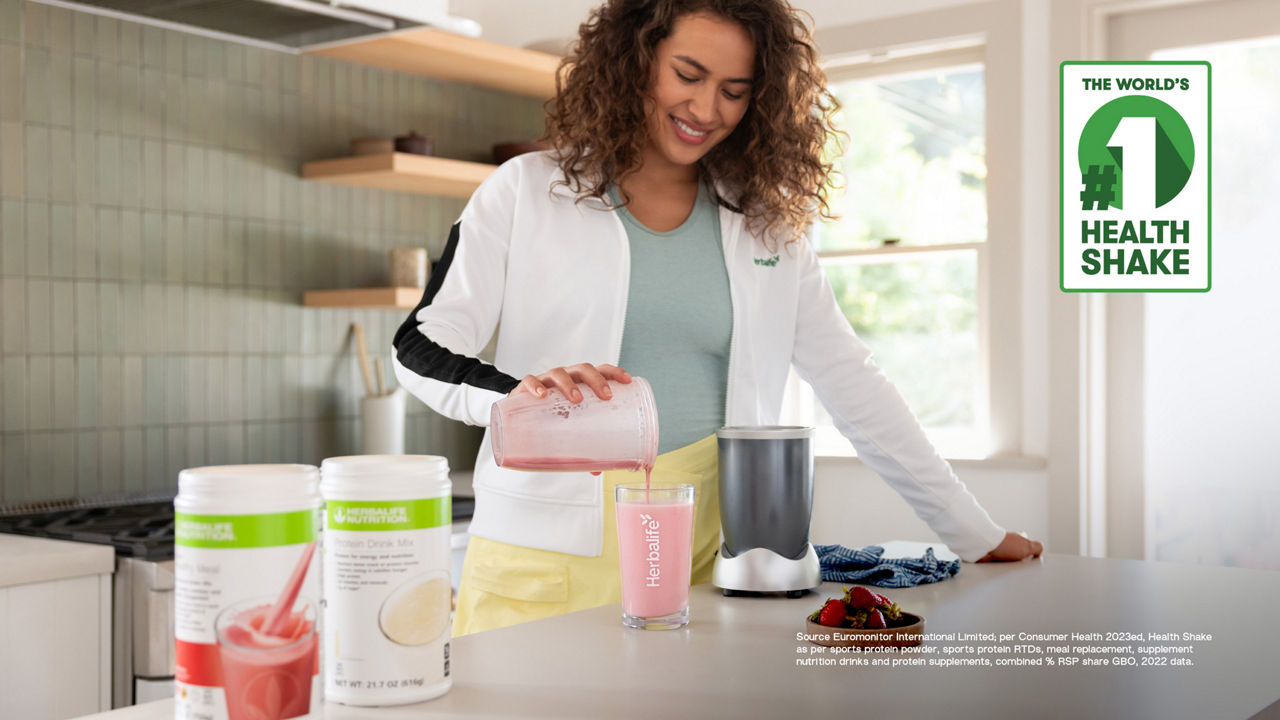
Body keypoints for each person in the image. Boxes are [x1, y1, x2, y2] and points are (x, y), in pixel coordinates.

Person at [392, 0, 1043, 636]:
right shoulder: (527, 191)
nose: (707, 110)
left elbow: (852, 381)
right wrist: (521, 396)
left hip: (709, 564)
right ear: (635, 61)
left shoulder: (767, 226)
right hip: (544, 562)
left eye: (735, 90)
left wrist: (972, 532)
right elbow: (418, 344)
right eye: (688, 75)